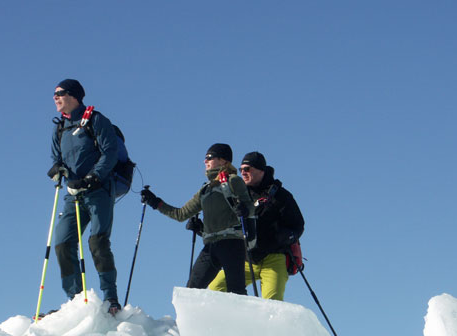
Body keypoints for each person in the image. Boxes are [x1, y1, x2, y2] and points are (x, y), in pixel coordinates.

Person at [47, 79, 121, 315]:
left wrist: (92, 178)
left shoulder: (96, 120)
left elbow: (109, 153)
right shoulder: (59, 128)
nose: (55, 97)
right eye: (54, 94)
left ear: (74, 96)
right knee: (62, 243)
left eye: (60, 93)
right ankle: (76, 301)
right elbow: (57, 158)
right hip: (73, 195)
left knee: (97, 242)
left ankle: (111, 299)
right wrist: (57, 169)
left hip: (99, 190)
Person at [140, 143, 256, 294]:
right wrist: (155, 202)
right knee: (191, 291)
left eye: (209, 157)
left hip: (232, 243)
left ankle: (245, 318)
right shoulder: (205, 190)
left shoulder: (233, 180)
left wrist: (245, 209)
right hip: (210, 247)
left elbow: (250, 205)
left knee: (237, 292)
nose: (205, 161)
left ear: (223, 161)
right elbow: (181, 214)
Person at [208, 152, 304, 300]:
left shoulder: (281, 196)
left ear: (261, 170)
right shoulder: (237, 193)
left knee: (272, 303)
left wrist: (288, 236)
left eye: (247, 169)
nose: (243, 173)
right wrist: (201, 227)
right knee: (214, 290)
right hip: (245, 259)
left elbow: (298, 225)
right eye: (241, 170)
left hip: (274, 258)